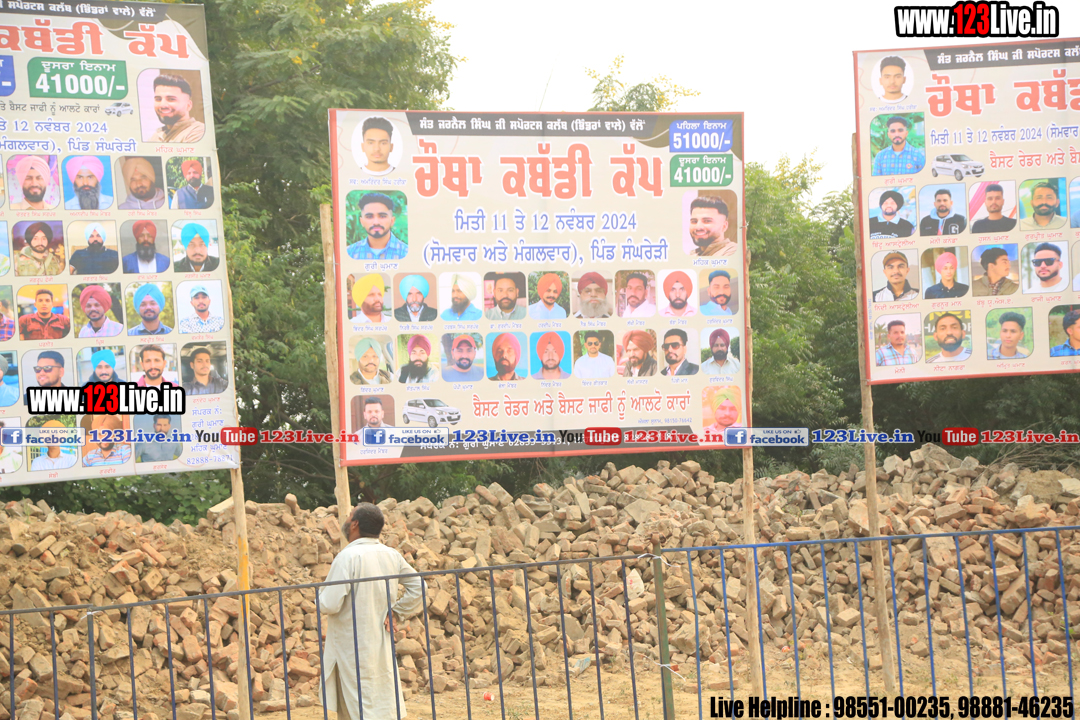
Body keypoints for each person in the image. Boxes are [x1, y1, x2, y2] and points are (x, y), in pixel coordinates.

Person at [319, 503, 422, 720]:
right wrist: (396, 612)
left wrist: (319, 595)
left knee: (354, 708)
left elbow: (329, 604)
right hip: (380, 644)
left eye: (349, 516)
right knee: (381, 702)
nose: (346, 520)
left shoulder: (348, 557)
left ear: (354, 524)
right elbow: (419, 586)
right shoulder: (391, 555)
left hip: (350, 648)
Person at [346, 193, 408, 260]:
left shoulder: (406, 253)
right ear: (362, 221)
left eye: (382, 216)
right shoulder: (350, 253)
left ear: (392, 221)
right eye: (369, 217)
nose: (376, 222)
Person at [149, 74, 205, 143]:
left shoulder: (199, 132)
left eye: (171, 99)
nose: (162, 105)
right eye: (158, 99)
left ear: (188, 105)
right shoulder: (156, 136)